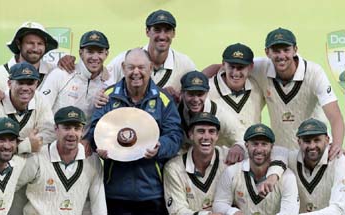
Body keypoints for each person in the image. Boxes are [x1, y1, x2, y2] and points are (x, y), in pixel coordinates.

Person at [86, 48, 183, 214]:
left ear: (150, 68)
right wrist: (98, 145)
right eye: (131, 67)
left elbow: (175, 135)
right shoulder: (108, 97)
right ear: (123, 68)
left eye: (141, 67)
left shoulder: (163, 100)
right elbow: (94, 130)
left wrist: (161, 147)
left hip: (152, 192)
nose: (136, 72)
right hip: (114, 191)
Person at [251, 27, 344, 160]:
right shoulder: (260, 67)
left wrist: (337, 145)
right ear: (267, 52)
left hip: (316, 151)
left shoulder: (314, 73)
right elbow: (227, 66)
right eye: (276, 51)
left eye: (286, 50)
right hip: (281, 153)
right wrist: (208, 79)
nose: (281, 56)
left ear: (295, 49)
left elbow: (335, 117)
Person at [16, 106, 107, 214]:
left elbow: (98, 202)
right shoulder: (37, 157)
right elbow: (11, 187)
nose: (72, 133)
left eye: (76, 128)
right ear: (56, 129)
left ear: (82, 131)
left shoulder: (93, 160)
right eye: (67, 128)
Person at [0, 21, 59, 119]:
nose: (35, 48)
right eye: (30, 43)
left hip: (44, 133)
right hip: (6, 133)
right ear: (18, 44)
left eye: (40, 44)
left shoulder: (54, 71)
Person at [213, 123, 299, 215]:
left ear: (272, 147)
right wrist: (233, 212)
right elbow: (219, 203)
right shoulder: (232, 172)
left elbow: (290, 212)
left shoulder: (287, 177)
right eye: (255, 144)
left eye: (264, 144)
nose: (259, 149)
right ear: (246, 145)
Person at [40, 30, 113, 134]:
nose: (95, 57)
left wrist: (87, 139)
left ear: (106, 54)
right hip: (52, 141)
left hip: (84, 146)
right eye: (90, 52)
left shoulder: (108, 83)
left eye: (100, 52)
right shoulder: (61, 73)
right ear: (80, 53)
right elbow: (41, 110)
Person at [0, 62, 55, 154]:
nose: (25, 88)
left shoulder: (40, 100)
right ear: (9, 84)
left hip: (24, 162)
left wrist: (8, 144)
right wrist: (25, 146)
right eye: (20, 83)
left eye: (30, 83)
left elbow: (50, 133)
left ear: (36, 84)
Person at [208, 43, 265, 160]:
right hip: (219, 162)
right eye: (231, 66)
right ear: (223, 64)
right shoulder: (207, 91)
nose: (235, 72)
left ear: (250, 67)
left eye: (240, 67)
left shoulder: (258, 87)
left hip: (252, 161)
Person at [164, 112, 228, 215]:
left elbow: (256, 153)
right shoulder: (173, 168)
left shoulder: (228, 158)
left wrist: (239, 146)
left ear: (217, 136)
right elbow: (177, 211)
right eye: (201, 131)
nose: (206, 137)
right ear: (191, 135)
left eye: (211, 131)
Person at [281, 118, 345, 214]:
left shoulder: (340, 161)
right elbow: (273, 153)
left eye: (317, 140)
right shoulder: (290, 159)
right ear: (299, 142)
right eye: (307, 141)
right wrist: (274, 173)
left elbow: (339, 209)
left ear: (327, 140)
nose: (312, 146)